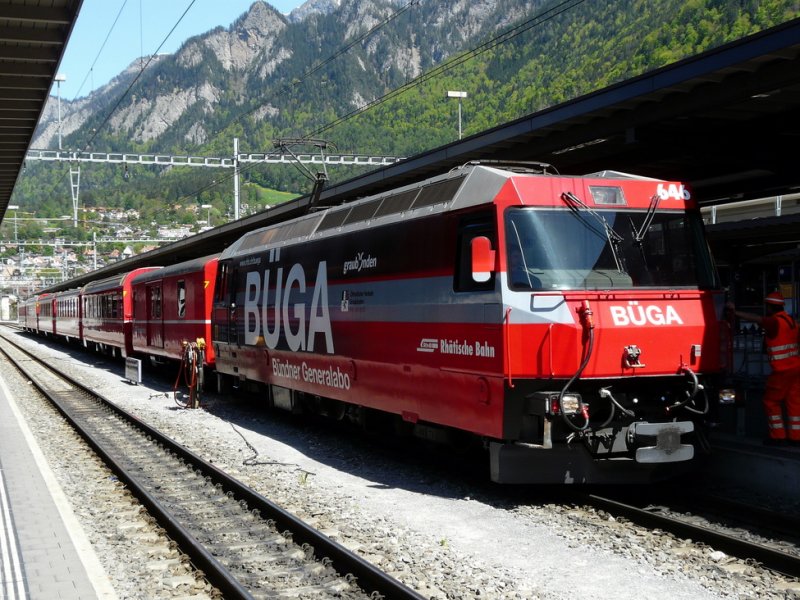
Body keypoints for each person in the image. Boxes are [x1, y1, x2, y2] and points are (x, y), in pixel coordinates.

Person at [727, 292, 800, 446]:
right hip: (796, 368)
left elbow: (757, 319)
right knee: (794, 402)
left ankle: (778, 436)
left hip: (782, 370)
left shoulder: (774, 322)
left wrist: (735, 312)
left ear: (769, 306)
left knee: (771, 401)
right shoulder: (791, 321)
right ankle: (796, 438)